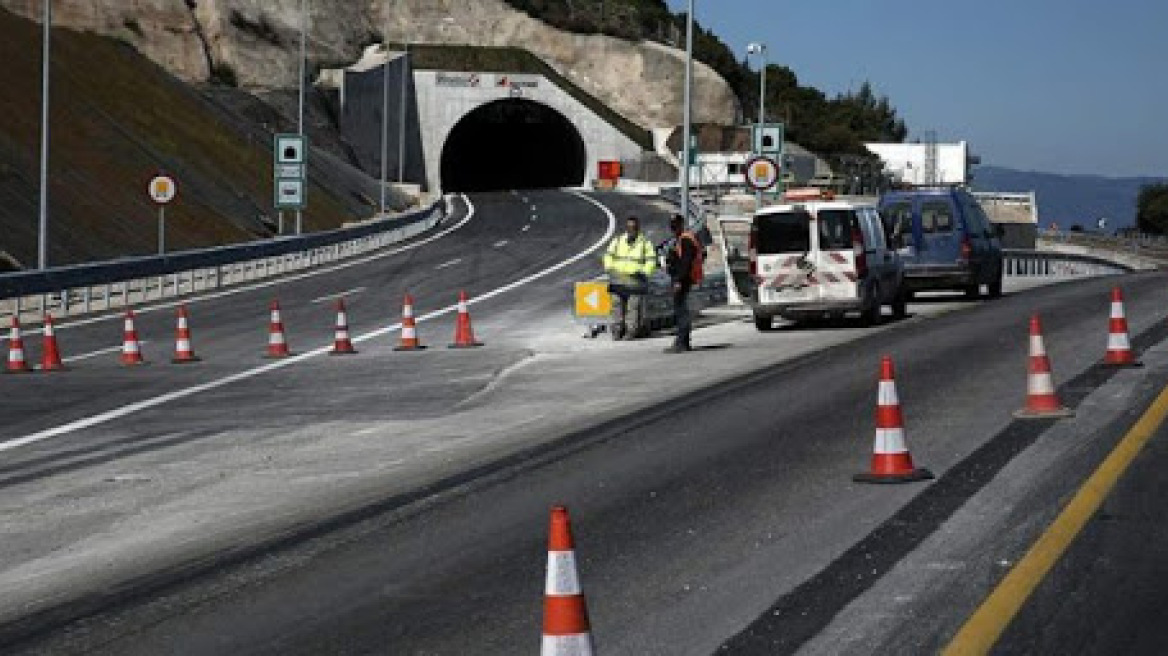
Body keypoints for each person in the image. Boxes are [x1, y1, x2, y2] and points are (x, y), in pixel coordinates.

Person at [603, 215, 658, 340]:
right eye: (629, 227)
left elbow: (651, 261)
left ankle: (631, 332)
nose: (631, 230)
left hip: (635, 281)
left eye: (634, 227)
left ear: (638, 228)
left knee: (633, 308)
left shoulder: (645, 243)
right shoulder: (617, 241)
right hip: (618, 280)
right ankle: (617, 331)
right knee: (617, 306)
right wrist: (610, 268)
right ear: (626, 228)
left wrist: (643, 272)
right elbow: (608, 256)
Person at [664, 214, 704, 353]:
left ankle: (681, 342)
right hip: (683, 278)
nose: (673, 229)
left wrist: (679, 281)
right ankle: (683, 342)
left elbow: (686, 263)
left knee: (681, 311)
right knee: (681, 310)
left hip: (683, 279)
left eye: (675, 226)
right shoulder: (683, 238)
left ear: (681, 225)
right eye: (672, 226)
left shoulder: (686, 239)